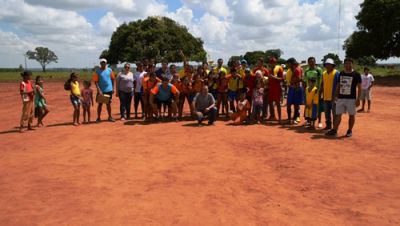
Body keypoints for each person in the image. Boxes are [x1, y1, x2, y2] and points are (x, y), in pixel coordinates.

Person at [326, 58, 361, 137]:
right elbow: (338, 85)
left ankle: (349, 130)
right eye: (346, 63)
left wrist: (358, 99)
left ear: (352, 64)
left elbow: (359, 87)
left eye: (349, 63)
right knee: (338, 114)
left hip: (351, 99)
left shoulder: (356, 74)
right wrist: (335, 95)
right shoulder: (341, 73)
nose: (348, 65)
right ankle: (334, 130)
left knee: (351, 115)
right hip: (341, 98)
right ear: (344, 64)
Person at [320, 58, 340, 130]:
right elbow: (322, 84)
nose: (327, 66)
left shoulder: (337, 73)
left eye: (329, 64)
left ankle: (335, 128)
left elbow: (339, 84)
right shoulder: (324, 73)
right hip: (325, 96)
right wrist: (320, 93)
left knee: (335, 113)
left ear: (332, 65)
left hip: (334, 97)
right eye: (326, 64)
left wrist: (336, 95)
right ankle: (328, 125)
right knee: (326, 113)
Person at [92, 58, 115, 123]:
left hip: (109, 90)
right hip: (101, 91)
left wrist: (113, 88)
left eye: (104, 62)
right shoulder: (97, 71)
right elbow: (96, 82)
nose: (103, 64)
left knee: (108, 104)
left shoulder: (110, 70)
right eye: (102, 62)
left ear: (106, 63)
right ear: (100, 64)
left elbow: (113, 79)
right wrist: (99, 90)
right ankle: (98, 118)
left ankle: (110, 117)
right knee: (100, 104)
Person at [304, 57, 323, 128]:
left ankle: (319, 121)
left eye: (312, 61)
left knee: (318, 107)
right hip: (309, 91)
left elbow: (321, 80)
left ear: (315, 62)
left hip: (317, 91)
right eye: (310, 62)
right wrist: (305, 90)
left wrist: (320, 90)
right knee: (309, 105)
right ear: (308, 63)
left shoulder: (319, 70)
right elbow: (305, 80)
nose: (311, 63)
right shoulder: (306, 70)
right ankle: (309, 122)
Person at [286, 58, 304, 124]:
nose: (288, 65)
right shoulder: (290, 70)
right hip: (291, 88)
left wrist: (293, 82)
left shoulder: (298, 69)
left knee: (296, 105)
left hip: (296, 88)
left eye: (289, 63)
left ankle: (294, 118)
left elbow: (300, 78)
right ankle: (290, 119)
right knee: (289, 104)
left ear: (292, 63)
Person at [267, 57, 284, 123]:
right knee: (270, 102)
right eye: (271, 62)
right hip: (271, 88)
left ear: (275, 62)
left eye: (273, 62)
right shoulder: (269, 69)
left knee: (277, 103)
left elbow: (282, 79)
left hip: (277, 88)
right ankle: (272, 116)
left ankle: (279, 118)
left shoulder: (279, 68)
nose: (272, 64)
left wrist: (273, 77)